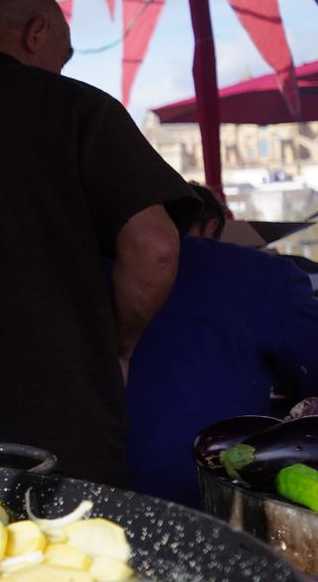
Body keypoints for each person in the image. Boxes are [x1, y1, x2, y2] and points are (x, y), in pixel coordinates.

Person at [0, 0, 196, 488]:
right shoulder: (78, 107)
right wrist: (119, 348)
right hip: (61, 410)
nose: (61, 68)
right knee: (69, 539)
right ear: (36, 33)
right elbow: (155, 247)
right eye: (63, 55)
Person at [126, 185, 318, 506]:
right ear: (212, 226)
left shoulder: (76, 270)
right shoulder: (262, 275)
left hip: (79, 485)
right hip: (207, 498)